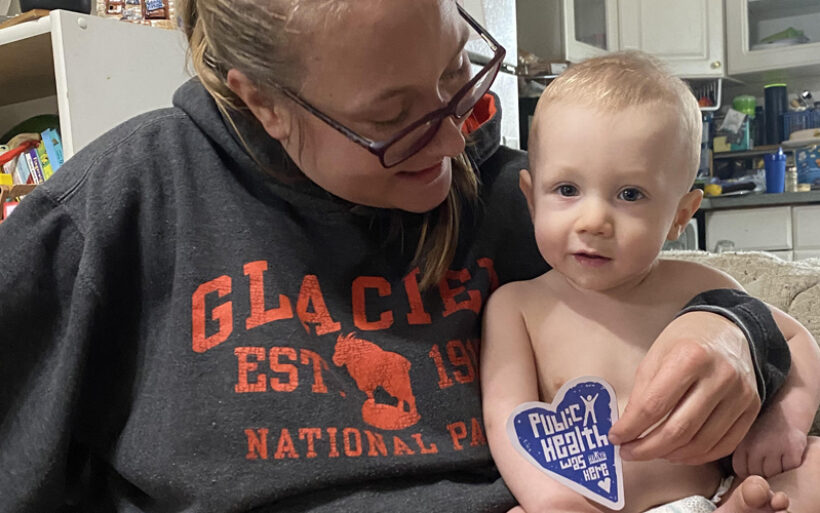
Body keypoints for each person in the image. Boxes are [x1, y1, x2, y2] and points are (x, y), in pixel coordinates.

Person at [0, 2, 794, 511]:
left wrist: (737, 333)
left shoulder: (530, 205)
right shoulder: (120, 210)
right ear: (263, 103)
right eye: (395, 116)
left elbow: (691, 290)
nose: (458, 139)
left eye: (457, 72)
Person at [481, 51, 820, 513]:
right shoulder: (516, 306)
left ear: (680, 215)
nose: (594, 220)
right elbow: (507, 418)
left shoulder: (699, 286)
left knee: (815, 465)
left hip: (713, 495)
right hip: (588, 506)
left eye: (630, 194)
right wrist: (550, 500)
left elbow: (796, 340)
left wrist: (783, 423)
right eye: (567, 190)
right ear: (530, 198)